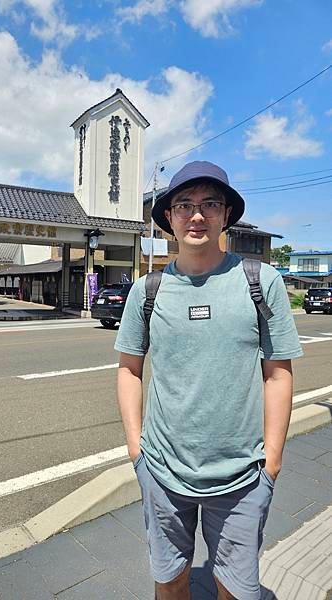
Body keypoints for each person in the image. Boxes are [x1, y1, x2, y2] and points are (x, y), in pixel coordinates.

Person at [114, 161, 303, 600]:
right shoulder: (148, 289)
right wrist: (137, 450)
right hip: (161, 470)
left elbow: (277, 374)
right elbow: (129, 369)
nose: (196, 215)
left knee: (236, 588)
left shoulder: (261, 280)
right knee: (169, 580)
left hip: (242, 474)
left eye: (209, 204)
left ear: (225, 215)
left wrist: (270, 462)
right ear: (168, 218)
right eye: (184, 205)